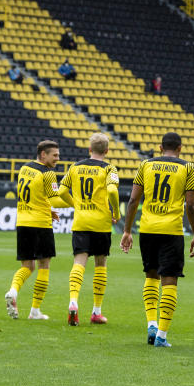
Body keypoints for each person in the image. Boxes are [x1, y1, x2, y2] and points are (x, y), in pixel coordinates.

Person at [120, 132, 194, 348]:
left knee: (151, 275)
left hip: (147, 228)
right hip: (171, 230)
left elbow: (133, 199)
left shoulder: (146, 165)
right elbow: (191, 206)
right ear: (180, 148)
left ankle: (152, 324)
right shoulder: (188, 167)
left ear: (160, 147)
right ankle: (162, 336)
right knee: (170, 280)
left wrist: (127, 231)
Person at [55, 133, 120, 326]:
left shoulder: (75, 167)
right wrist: (115, 211)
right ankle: (96, 312)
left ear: (89, 149)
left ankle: (73, 302)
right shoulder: (109, 168)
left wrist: (76, 204)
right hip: (100, 222)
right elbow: (112, 191)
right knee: (101, 263)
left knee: (79, 262)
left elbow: (61, 191)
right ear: (106, 151)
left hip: (81, 221)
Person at [4, 140, 65, 320]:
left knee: (27, 266)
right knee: (44, 266)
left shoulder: (24, 168)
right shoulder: (48, 173)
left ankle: (13, 291)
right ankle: (35, 311)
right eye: (54, 155)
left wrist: (47, 209)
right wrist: (78, 203)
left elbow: (35, 195)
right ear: (43, 154)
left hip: (23, 221)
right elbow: (55, 200)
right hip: (40, 224)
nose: (58, 159)